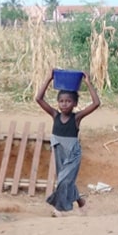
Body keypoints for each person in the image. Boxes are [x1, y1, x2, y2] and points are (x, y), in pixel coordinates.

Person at [36, 70, 100, 217]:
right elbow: (38, 99)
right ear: (58, 103)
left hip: (72, 154)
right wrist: (48, 79)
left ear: (75, 103)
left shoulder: (76, 118)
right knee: (66, 180)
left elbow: (96, 103)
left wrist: (88, 83)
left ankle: (59, 209)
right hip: (59, 152)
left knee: (64, 181)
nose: (64, 104)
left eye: (68, 101)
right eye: (61, 101)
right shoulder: (55, 115)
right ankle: (81, 202)